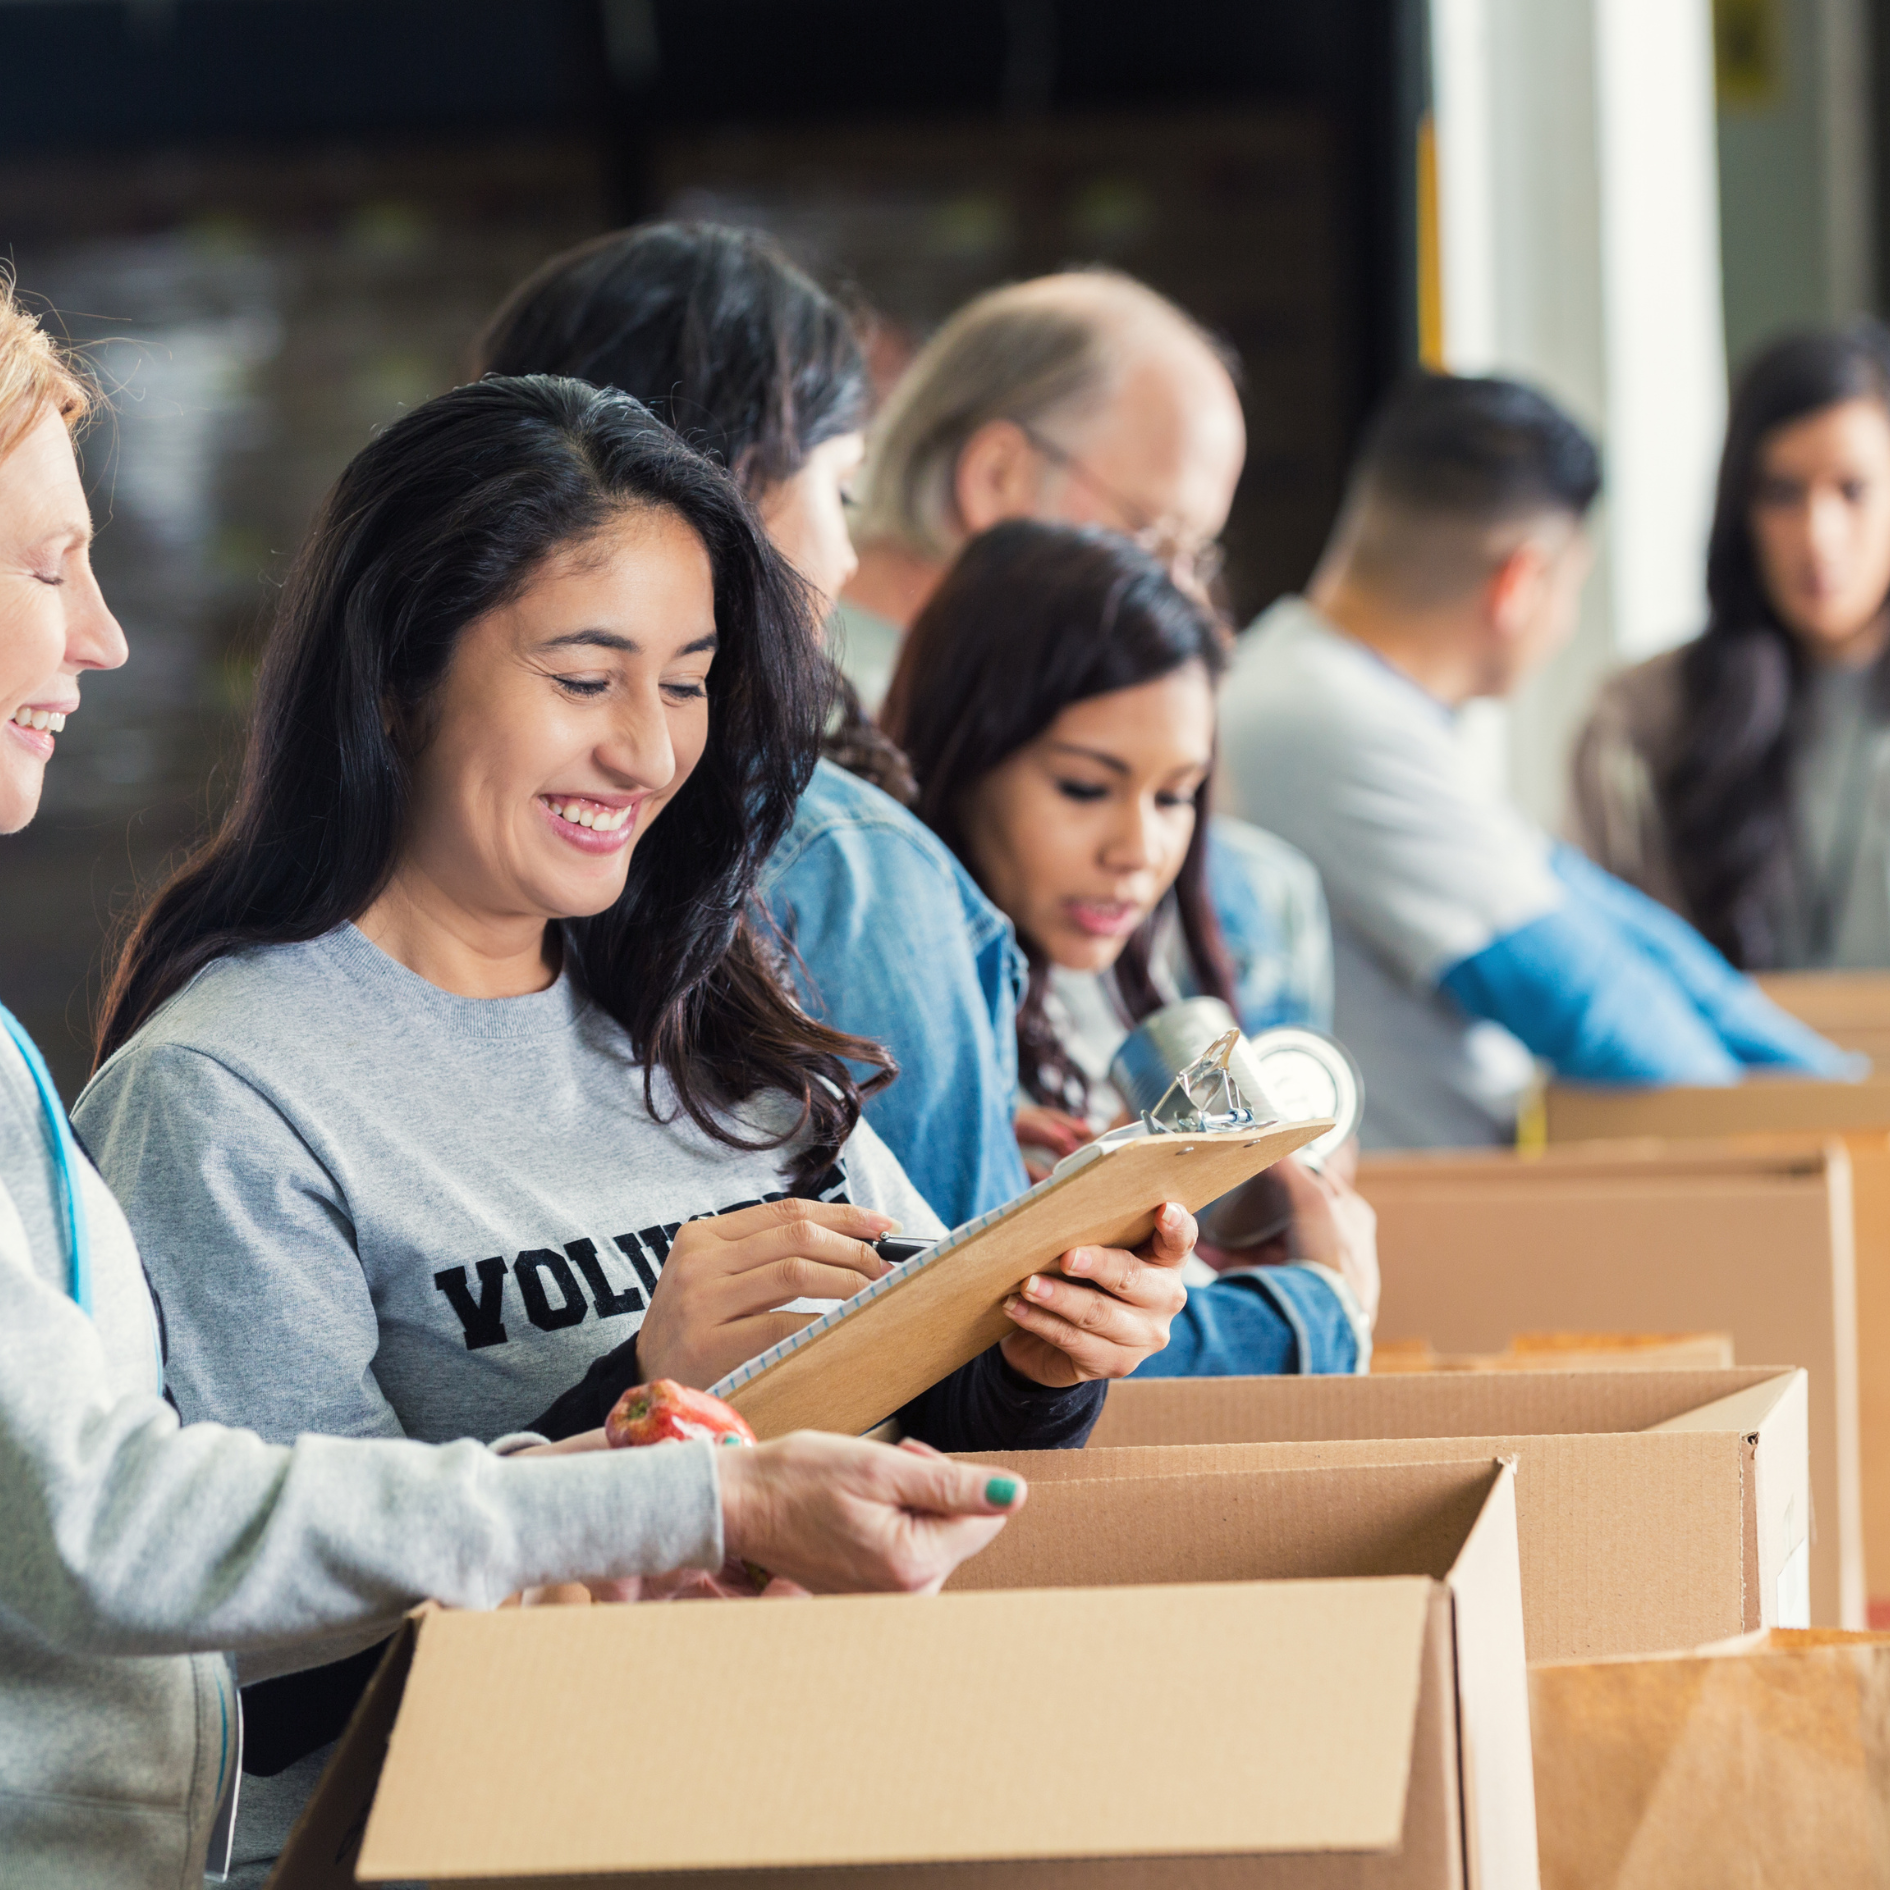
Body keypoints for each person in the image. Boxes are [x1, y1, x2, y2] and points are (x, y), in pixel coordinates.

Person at [72, 374, 1187, 1883]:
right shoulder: (224, 1094)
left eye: (688, 683)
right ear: (396, 680)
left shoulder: (709, 1011)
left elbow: (921, 1447)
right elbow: (273, 1676)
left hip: (812, 1803)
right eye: (587, 679)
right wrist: (642, 1403)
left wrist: (1040, 1357)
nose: (650, 753)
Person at [473, 222, 1026, 1228]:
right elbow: (979, 1295)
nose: (847, 556)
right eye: (840, 490)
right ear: (732, 487)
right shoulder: (841, 860)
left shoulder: (430, 844)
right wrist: (1309, 1289)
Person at [1219, 371, 1851, 1149]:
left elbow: (1602, 917)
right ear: (1520, 583)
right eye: (1572, 586)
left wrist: (1834, 1081)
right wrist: (1812, 1136)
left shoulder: (1338, 694)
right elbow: (1592, 1007)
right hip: (1423, 1206)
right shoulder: (1324, 722)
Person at [883, 519, 1376, 1376]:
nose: (1139, 850)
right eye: (1085, 788)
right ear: (961, 756)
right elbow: (973, 1350)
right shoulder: (889, 993)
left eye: (1175, 796)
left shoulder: (1104, 992)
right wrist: (1318, 1310)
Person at [845, 266, 1335, 1040]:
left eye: (1173, 795)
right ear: (997, 477)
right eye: (1156, 538)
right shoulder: (829, 734)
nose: (1180, 596)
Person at [1571, 323, 1890, 971]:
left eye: (1853, 490)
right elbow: (1607, 969)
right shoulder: (1641, 722)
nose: (1818, 535)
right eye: (1782, 493)